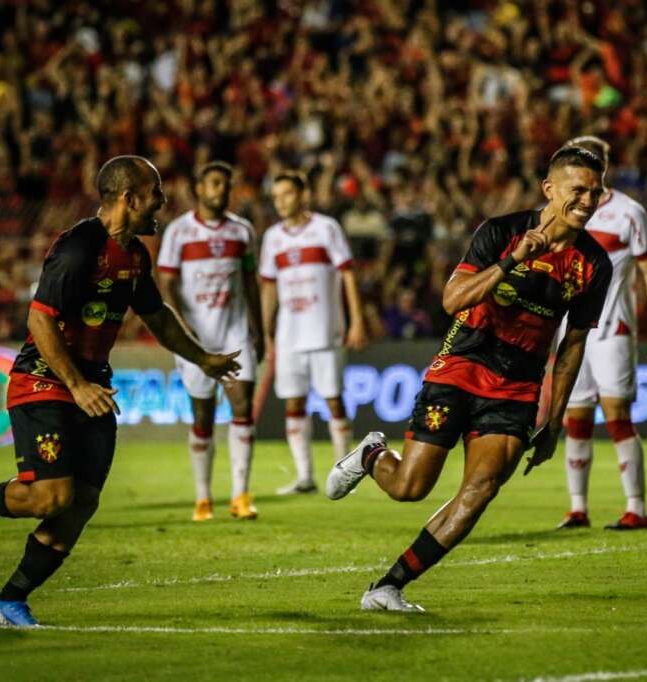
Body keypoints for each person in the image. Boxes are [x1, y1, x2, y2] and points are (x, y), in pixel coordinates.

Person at [0, 156, 242, 627]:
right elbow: (39, 319)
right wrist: (75, 383)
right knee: (51, 497)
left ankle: (10, 600)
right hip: (44, 382)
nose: (162, 203)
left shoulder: (135, 255)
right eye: (155, 194)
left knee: (81, 503)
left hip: (91, 387)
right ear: (128, 198)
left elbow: (158, 316)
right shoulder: (79, 247)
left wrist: (203, 357)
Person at [325, 146, 612, 611]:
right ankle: (372, 454)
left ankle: (388, 586)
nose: (587, 200)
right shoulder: (501, 232)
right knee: (409, 488)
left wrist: (554, 423)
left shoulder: (594, 264)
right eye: (577, 190)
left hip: (518, 387)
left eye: (595, 192)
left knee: (480, 490)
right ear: (549, 189)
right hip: (461, 367)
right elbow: (452, 299)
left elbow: (572, 345)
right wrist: (511, 261)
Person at [554, 136, 647, 532]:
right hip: (572, 333)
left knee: (617, 416)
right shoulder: (560, 210)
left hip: (612, 330)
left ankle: (637, 508)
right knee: (576, 419)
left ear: (605, 166)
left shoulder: (629, 213)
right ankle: (577, 509)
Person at [156, 161, 263, 521]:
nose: (221, 190)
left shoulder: (242, 231)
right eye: (215, 183)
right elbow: (167, 284)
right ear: (198, 188)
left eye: (226, 185)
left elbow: (250, 284)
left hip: (234, 334)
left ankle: (241, 495)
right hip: (195, 339)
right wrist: (181, 331)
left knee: (242, 407)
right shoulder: (178, 232)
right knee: (202, 415)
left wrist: (259, 331)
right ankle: (203, 498)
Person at [259, 171, 367, 495]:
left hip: (324, 331)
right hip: (289, 335)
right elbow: (268, 287)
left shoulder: (325, 228)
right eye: (276, 196)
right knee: (294, 404)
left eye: (287, 194)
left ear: (302, 195)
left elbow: (347, 275)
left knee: (334, 401)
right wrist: (266, 332)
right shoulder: (272, 238)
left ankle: (343, 474)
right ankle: (304, 477)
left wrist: (356, 321)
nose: (280, 201)